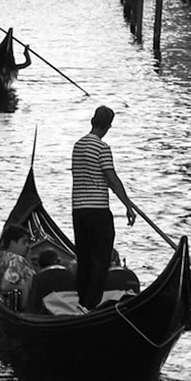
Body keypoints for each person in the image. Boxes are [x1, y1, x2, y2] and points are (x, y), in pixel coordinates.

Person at [71, 105, 135, 309]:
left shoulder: (78, 145)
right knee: (101, 259)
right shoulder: (102, 148)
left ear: (92, 121)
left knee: (84, 257)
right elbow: (112, 180)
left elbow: (92, 175)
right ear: (107, 126)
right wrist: (128, 206)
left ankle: (82, 301)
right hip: (97, 211)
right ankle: (91, 305)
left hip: (78, 211)